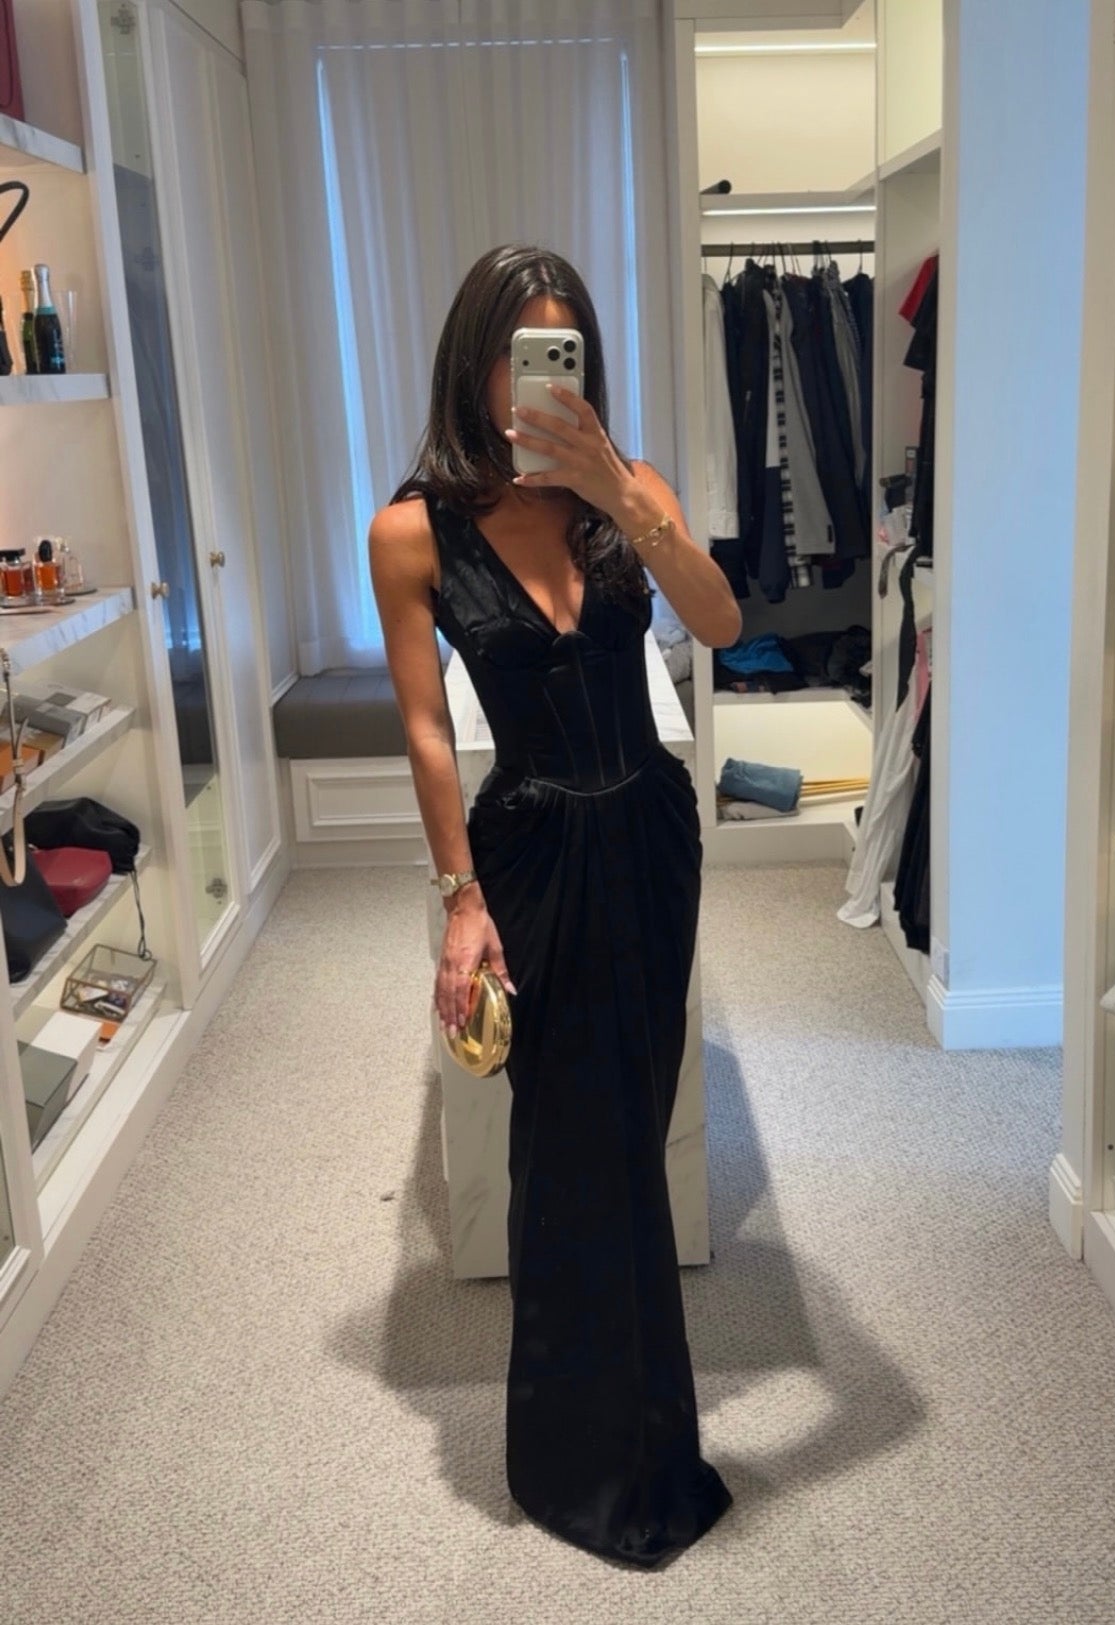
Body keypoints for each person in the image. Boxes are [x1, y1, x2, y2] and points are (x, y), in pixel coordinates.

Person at [369, 243, 741, 1567]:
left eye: (564, 347)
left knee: (635, 1127)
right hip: (530, 849)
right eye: (521, 350)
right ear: (476, 364)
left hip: (650, 832)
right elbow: (426, 729)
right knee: (564, 1144)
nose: (542, 374)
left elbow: (720, 620)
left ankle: (648, 1430)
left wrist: (620, 498)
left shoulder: (629, 493)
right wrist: (459, 898)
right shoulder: (412, 531)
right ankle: (570, 1451)